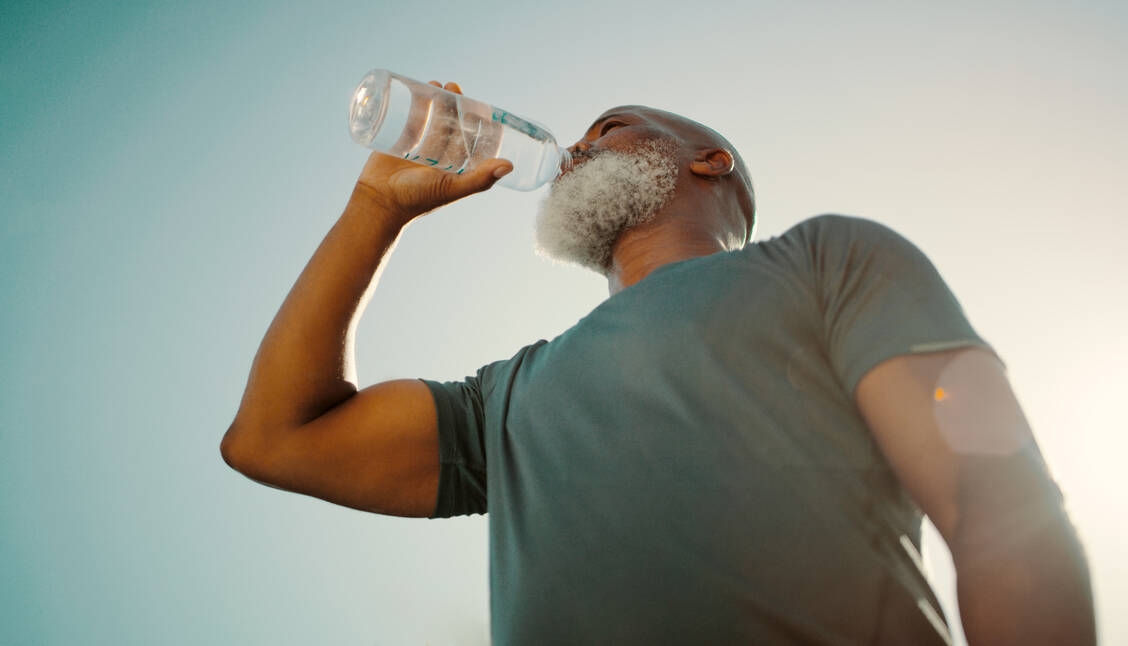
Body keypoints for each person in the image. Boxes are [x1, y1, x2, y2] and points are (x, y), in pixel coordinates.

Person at [221, 81, 1096, 645]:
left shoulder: (827, 261)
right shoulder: (505, 398)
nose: (575, 145)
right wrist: (375, 206)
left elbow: (995, 506)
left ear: (709, 163)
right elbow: (275, 439)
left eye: (610, 126)